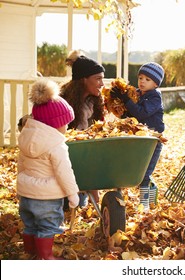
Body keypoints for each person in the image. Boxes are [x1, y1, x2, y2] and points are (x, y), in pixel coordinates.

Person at [17, 78, 80, 260]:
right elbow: (64, 172)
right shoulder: (56, 145)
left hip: (27, 193)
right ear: (56, 123)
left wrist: (19, 188)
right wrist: (73, 194)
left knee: (30, 225)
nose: (67, 127)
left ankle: (30, 252)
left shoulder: (25, 137)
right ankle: (45, 256)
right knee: (46, 226)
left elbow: (21, 165)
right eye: (66, 123)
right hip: (47, 197)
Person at [111, 62, 165, 212]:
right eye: (140, 77)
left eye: (147, 79)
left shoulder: (155, 97)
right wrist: (120, 100)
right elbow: (130, 115)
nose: (142, 81)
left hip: (153, 140)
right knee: (138, 169)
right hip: (139, 139)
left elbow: (141, 113)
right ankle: (151, 189)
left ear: (155, 84)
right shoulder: (136, 94)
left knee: (145, 172)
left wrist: (127, 100)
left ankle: (144, 202)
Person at [60, 50, 105, 207]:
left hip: (86, 154)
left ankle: (89, 196)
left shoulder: (93, 102)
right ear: (84, 79)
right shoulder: (63, 101)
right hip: (65, 156)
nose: (102, 83)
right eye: (98, 79)